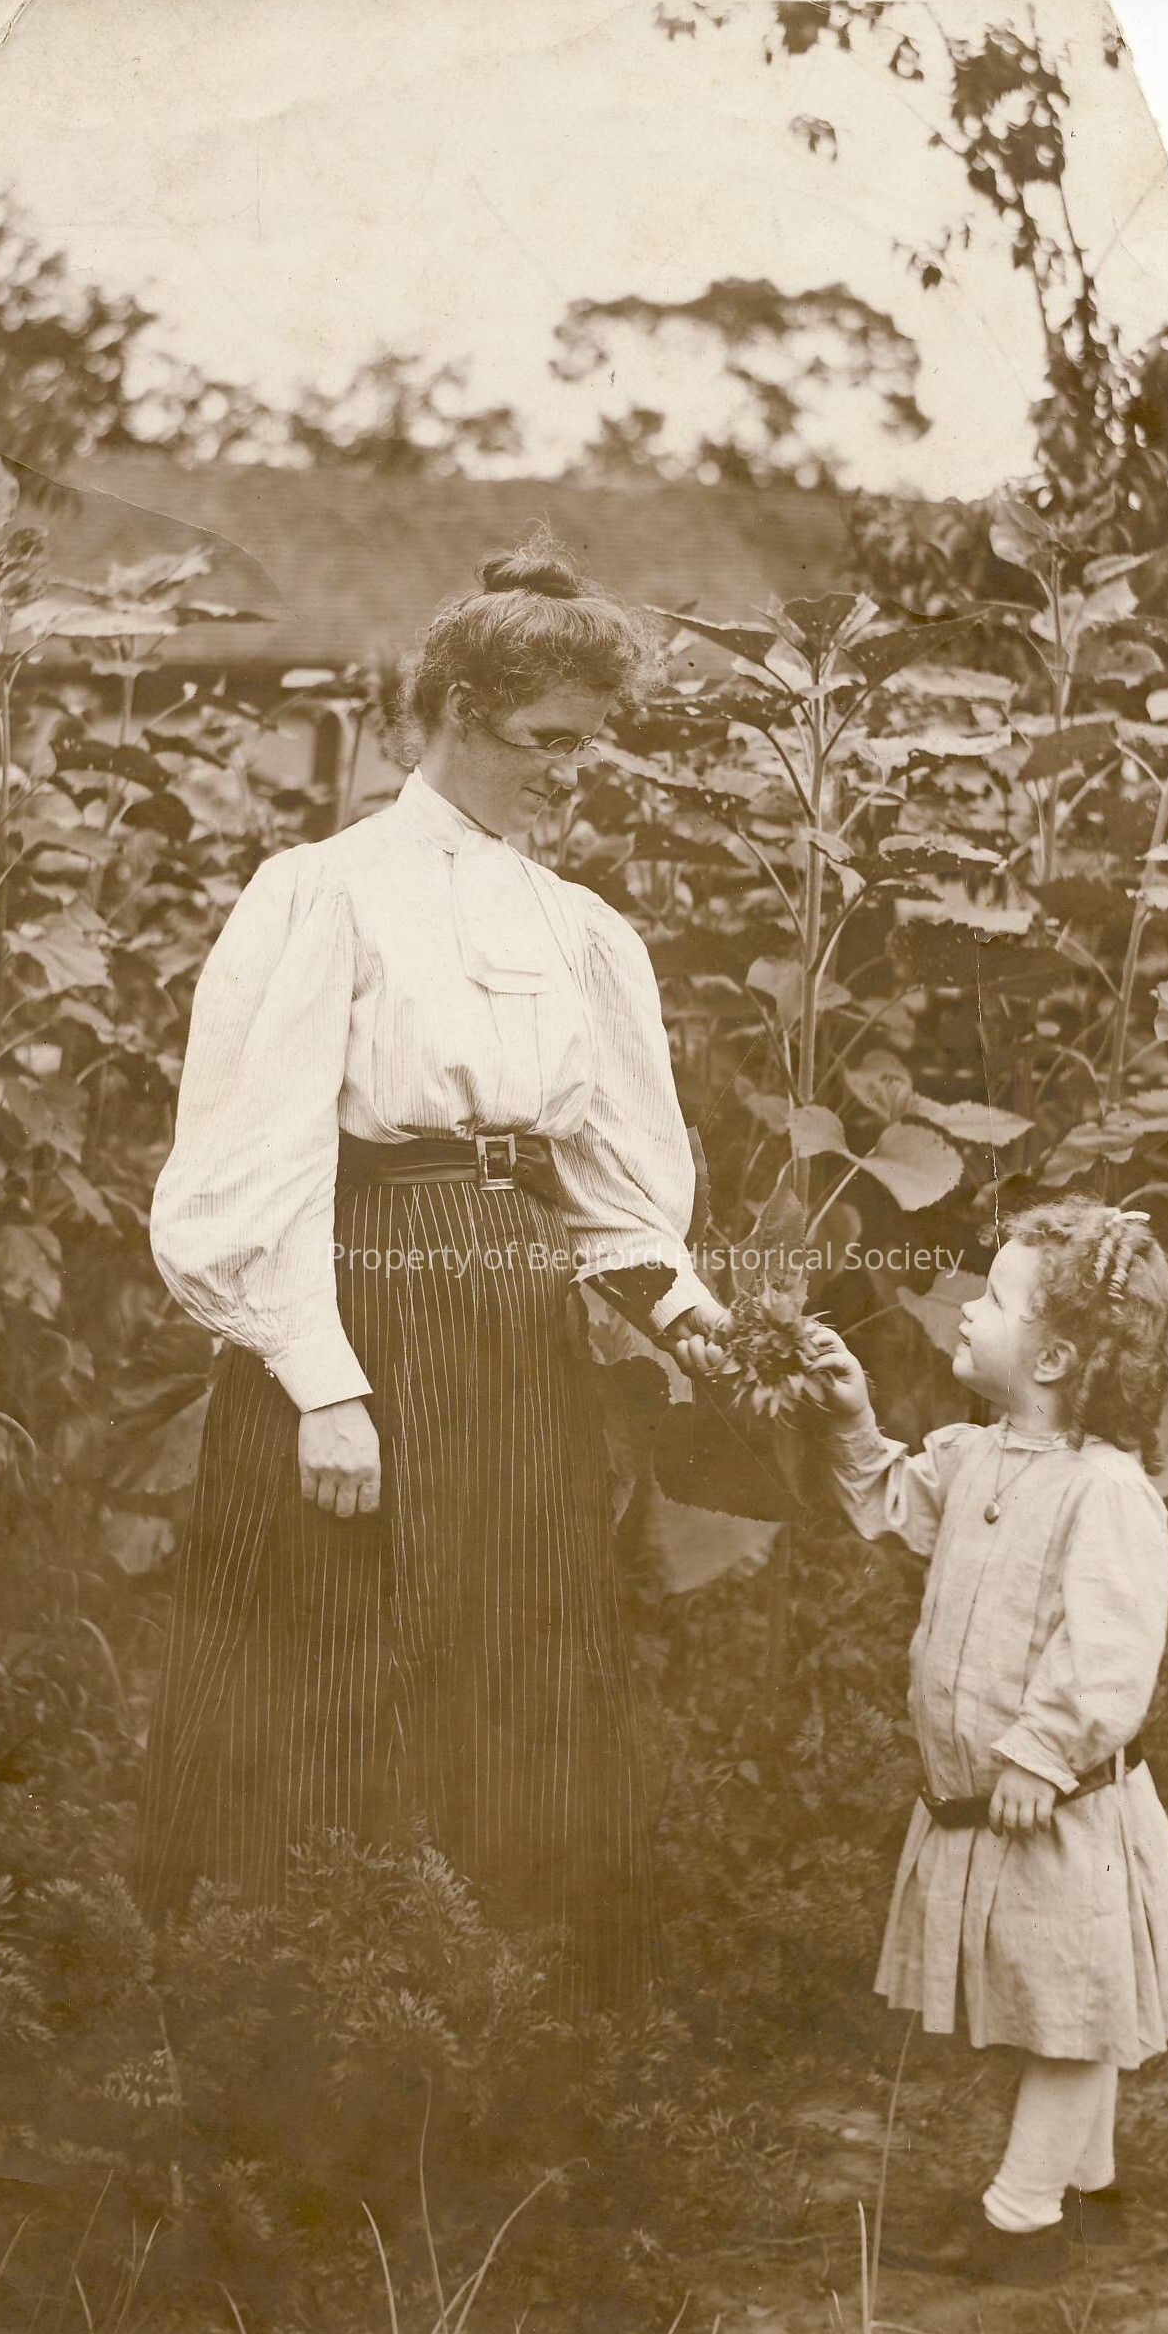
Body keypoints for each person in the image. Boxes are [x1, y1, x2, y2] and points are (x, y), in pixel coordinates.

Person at [133, 527, 730, 2017]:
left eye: (585, 745)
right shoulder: (323, 892)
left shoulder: (580, 932)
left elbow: (615, 1199)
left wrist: (702, 1325)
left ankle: (503, 2029)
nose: (568, 775)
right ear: (458, 711)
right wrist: (321, 1386)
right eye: (545, 742)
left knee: (514, 1651)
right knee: (336, 1658)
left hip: (516, 1329)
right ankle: (305, 2023)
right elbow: (254, 1157)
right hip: (361, 1304)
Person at [768, 1199, 1168, 2281]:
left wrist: (1040, 1752)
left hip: (1058, 1809)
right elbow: (891, 1501)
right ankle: (1089, 2186)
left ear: (1052, 1359)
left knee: (1070, 2011)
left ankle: (1022, 2218)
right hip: (988, 1801)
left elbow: (1108, 1650)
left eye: (993, 1300)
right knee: (1067, 2000)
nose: (964, 1310)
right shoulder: (978, 1458)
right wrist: (851, 1419)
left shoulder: (1105, 1490)